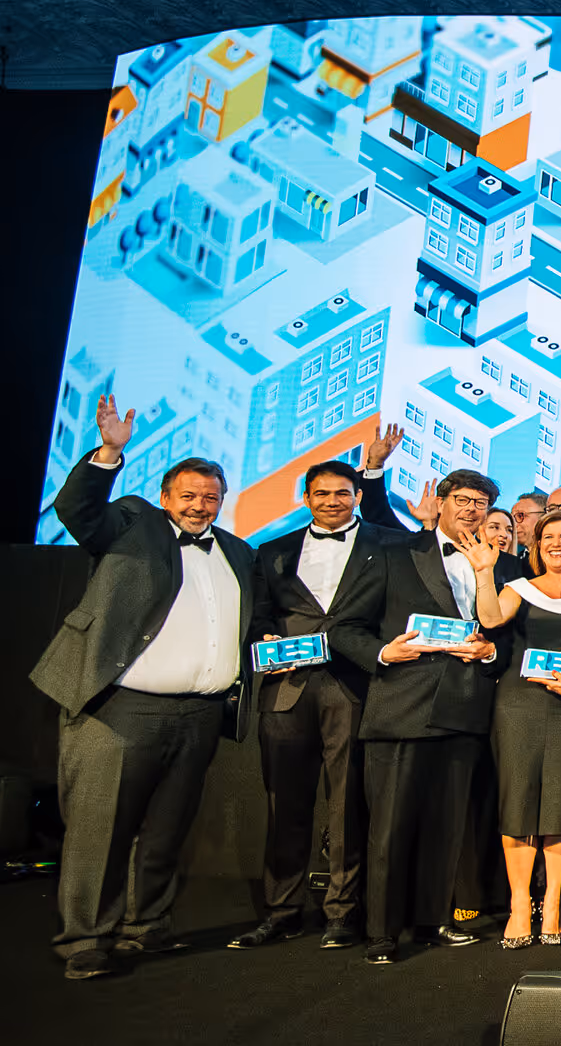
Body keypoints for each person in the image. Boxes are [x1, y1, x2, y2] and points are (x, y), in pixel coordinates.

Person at [37, 395, 260, 980]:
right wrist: (109, 452)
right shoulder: (132, 523)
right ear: (166, 497)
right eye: (188, 495)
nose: (199, 505)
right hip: (120, 709)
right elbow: (79, 508)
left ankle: (146, 926)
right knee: (99, 828)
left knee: (166, 828)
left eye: (210, 497)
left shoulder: (237, 552)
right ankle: (86, 939)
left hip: (200, 715)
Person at [341, 465, 519, 965]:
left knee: (448, 826)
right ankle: (381, 930)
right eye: (461, 499)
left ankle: (434, 918)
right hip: (403, 705)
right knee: (391, 826)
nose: (470, 509)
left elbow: (509, 642)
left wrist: (488, 654)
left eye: (480, 503)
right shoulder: (396, 553)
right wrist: (382, 654)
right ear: (440, 502)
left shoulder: (505, 568)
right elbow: (346, 626)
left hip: (467, 709)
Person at [232, 460, 399, 953]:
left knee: (348, 807)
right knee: (285, 805)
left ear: (357, 496)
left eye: (342, 493)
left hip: (354, 687)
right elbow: (258, 619)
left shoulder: (386, 546)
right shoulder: (273, 551)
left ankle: (342, 914)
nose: (331, 501)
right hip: (287, 689)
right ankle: (281, 911)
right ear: (305, 498)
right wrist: (264, 646)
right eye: (321, 493)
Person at [467, 488, 561, 947]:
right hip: (520, 705)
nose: (557, 544)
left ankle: (552, 904)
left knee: (559, 803)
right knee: (518, 802)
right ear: (536, 545)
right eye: (548, 537)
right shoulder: (520, 588)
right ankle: (519, 907)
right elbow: (491, 619)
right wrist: (483, 574)